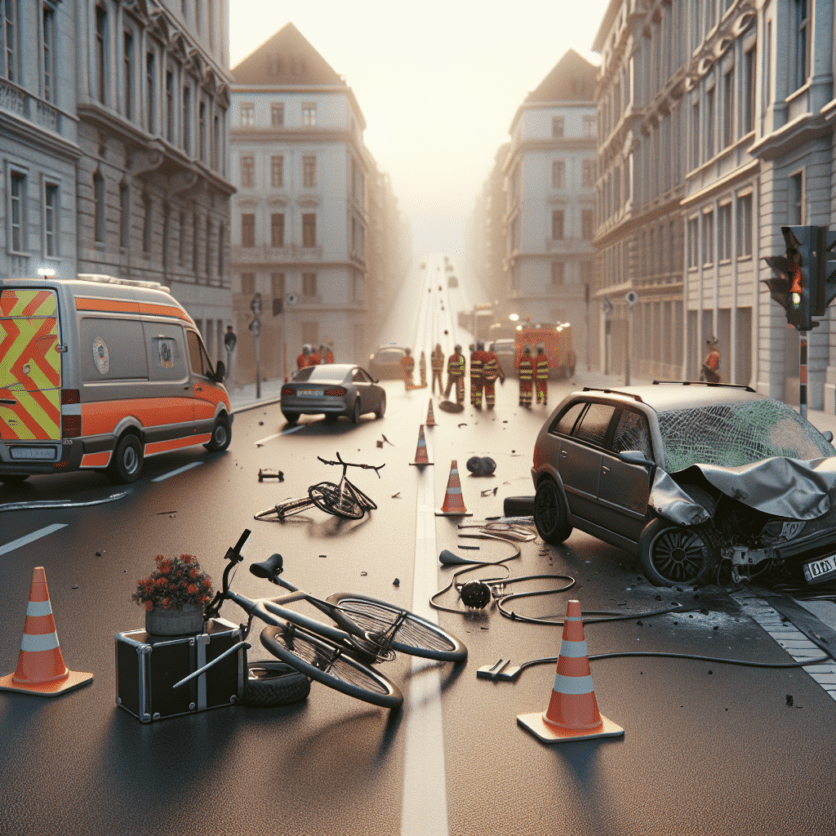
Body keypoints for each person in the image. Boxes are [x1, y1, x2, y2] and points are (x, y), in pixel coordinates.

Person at [483, 342, 505, 410]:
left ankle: (488, 403)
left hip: (486, 377)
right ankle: (491, 404)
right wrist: (501, 376)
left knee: (487, 390)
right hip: (492, 377)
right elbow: (498, 367)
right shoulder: (495, 356)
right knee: (491, 390)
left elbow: (482, 366)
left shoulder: (485, 355)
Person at [470, 340, 488, 408]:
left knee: (473, 389)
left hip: (473, 375)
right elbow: (486, 365)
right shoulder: (484, 354)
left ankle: (473, 401)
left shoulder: (473, 354)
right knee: (479, 390)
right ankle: (478, 404)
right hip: (480, 376)